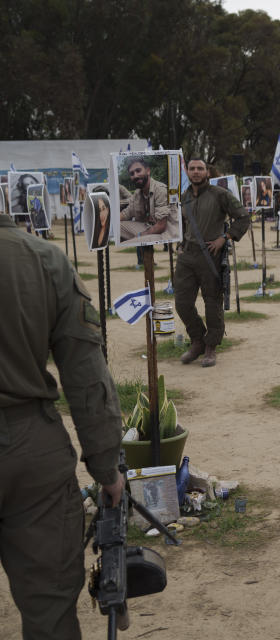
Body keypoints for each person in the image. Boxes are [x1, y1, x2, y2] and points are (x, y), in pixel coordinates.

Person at [0, 211, 126, 639]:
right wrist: (108, 469)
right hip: (30, 452)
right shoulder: (44, 260)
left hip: (29, 450)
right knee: (50, 610)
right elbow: (86, 377)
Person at [175, 158, 251, 368]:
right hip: (187, 256)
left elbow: (243, 218)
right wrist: (180, 245)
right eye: (192, 169)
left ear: (207, 172)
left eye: (200, 169)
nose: (196, 172)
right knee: (182, 303)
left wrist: (224, 238)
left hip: (210, 255)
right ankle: (198, 340)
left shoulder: (220, 195)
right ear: (187, 172)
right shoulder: (184, 197)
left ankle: (210, 347)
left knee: (212, 303)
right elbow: (182, 224)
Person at [118, 155, 179, 243]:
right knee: (117, 226)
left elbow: (161, 226)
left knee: (126, 244)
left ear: (148, 171)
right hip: (149, 227)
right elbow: (127, 213)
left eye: (138, 171)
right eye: (132, 173)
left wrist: (140, 235)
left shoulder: (160, 189)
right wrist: (109, 219)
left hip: (165, 232)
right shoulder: (137, 193)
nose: (135, 176)